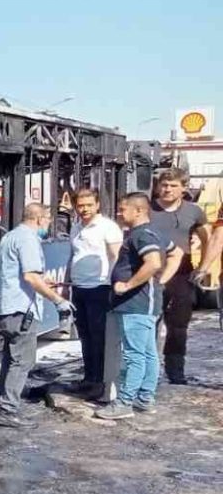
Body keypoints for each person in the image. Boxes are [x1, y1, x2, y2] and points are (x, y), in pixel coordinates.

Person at [0, 203, 73, 428]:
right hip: (21, 308)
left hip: (7, 306)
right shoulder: (28, 239)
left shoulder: (11, 236)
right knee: (22, 361)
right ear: (39, 218)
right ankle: (7, 410)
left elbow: (18, 273)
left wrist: (42, 281)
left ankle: (3, 405)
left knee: (11, 358)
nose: (49, 224)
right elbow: (31, 277)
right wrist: (58, 300)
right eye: (48, 219)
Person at [96, 193, 174, 420]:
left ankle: (125, 402)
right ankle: (144, 398)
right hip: (142, 304)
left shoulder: (142, 235)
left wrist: (128, 285)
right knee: (148, 353)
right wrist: (163, 279)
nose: (119, 213)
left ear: (139, 210)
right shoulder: (151, 233)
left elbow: (153, 263)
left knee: (134, 355)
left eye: (123, 209)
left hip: (135, 305)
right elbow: (175, 252)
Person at [149, 169, 210, 384]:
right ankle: (148, 370)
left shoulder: (193, 211)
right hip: (151, 274)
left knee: (178, 325)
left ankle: (175, 371)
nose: (167, 189)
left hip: (182, 274)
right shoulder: (147, 209)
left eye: (173, 185)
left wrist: (202, 267)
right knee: (149, 322)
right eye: (164, 185)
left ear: (183, 188)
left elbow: (207, 238)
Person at [65, 188, 123, 398]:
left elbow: (116, 256)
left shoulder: (108, 227)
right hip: (78, 288)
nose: (84, 209)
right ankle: (88, 378)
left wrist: (114, 283)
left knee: (99, 337)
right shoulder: (76, 227)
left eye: (89, 205)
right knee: (84, 336)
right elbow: (73, 256)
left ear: (97, 205)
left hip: (100, 287)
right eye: (80, 205)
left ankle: (100, 381)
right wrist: (66, 284)